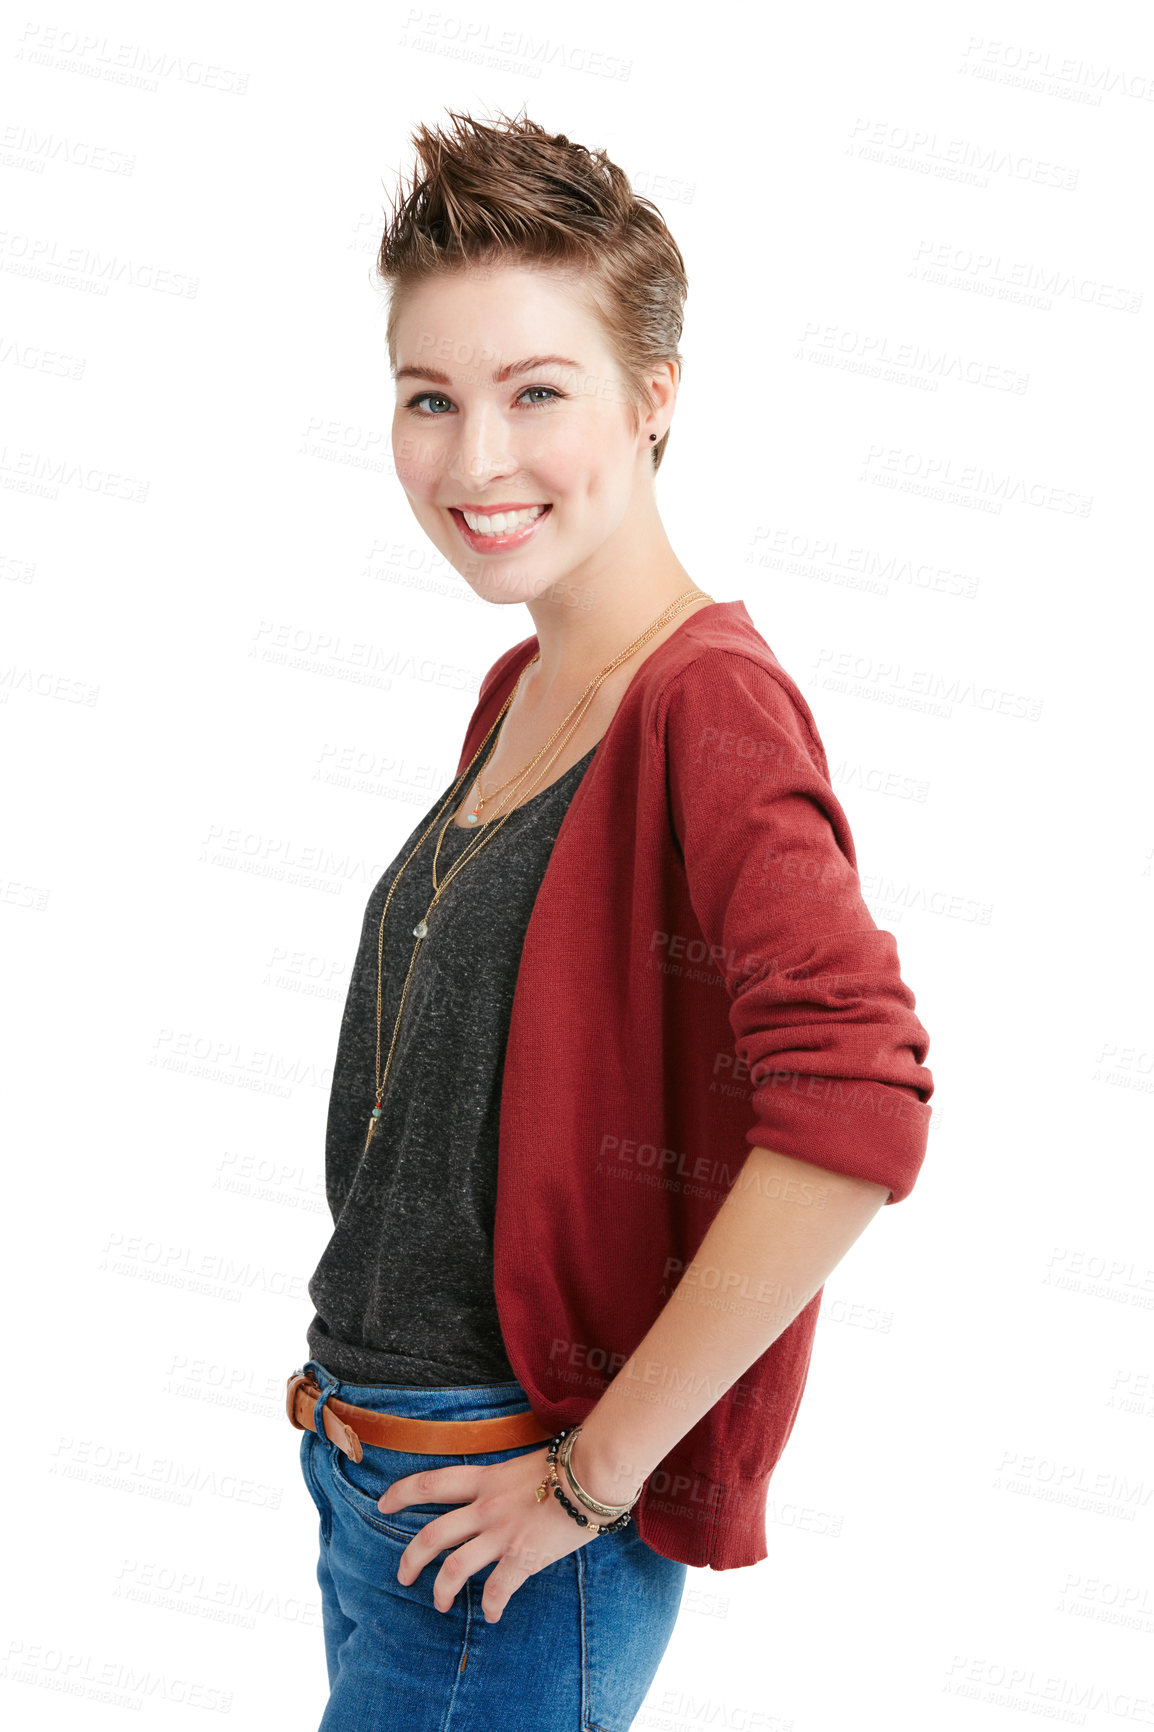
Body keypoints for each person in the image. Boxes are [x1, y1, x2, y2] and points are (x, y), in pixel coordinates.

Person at [287, 107, 934, 1730]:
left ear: (653, 401)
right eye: (428, 399)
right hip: (385, 1494)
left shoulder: (706, 705)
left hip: (507, 1541)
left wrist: (590, 1482)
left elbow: (855, 1104)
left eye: (535, 393)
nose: (473, 460)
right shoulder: (523, 687)